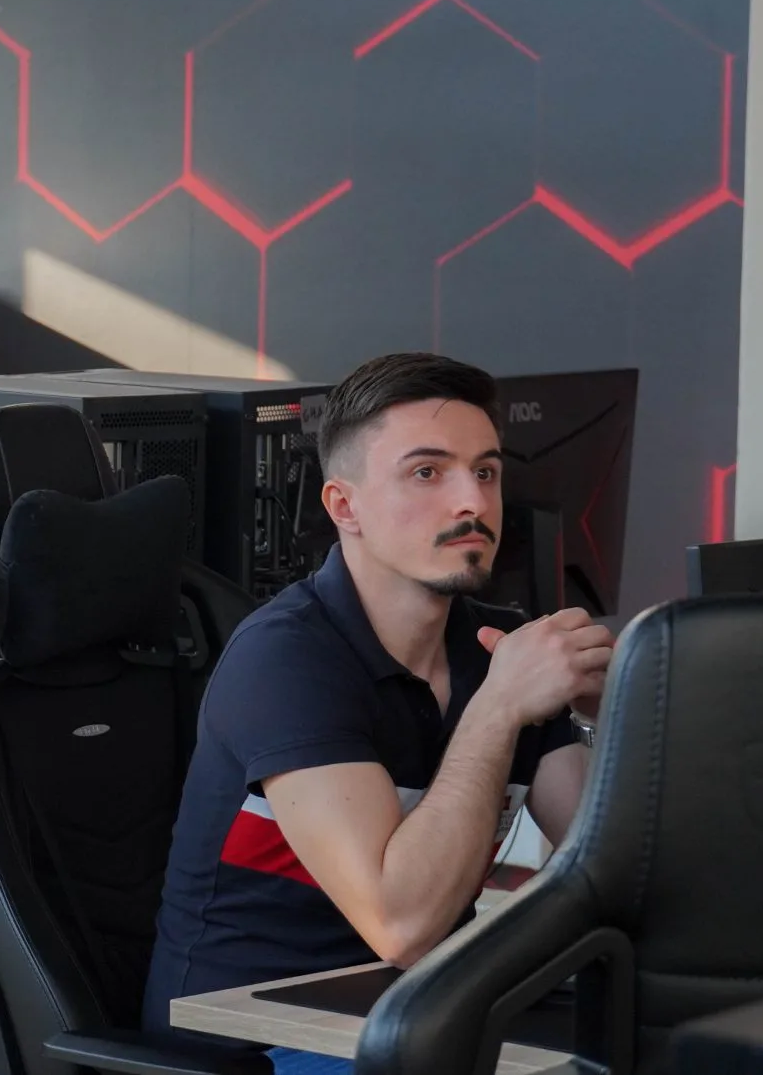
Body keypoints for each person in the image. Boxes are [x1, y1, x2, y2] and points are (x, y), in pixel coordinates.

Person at [142, 353, 611, 1075]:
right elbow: (402, 924)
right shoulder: (287, 660)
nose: (472, 501)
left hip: (420, 1018)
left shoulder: (498, 646)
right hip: (253, 1043)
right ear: (344, 507)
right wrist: (498, 709)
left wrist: (628, 716)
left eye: (486, 472)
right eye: (427, 472)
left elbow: (616, 873)